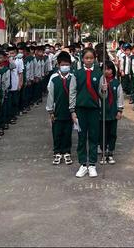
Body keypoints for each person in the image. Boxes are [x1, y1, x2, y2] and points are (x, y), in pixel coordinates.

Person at [70, 48, 103, 178]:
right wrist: (72, 110)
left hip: (94, 109)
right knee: (82, 137)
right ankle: (83, 164)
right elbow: (72, 92)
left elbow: (102, 95)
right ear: (82, 59)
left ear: (94, 59)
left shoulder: (99, 73)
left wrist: (104, 90)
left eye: (91, 58)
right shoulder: (77, 74)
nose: (89, 60)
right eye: (86, 58)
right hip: (80, 109)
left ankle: (93, 164)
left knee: (94, 137)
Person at [46, 51, 75, 165]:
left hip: (69, 111)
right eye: (62, 64)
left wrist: (74, 111)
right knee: (57, 132)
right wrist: (50, 111)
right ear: (58, 65)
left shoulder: (73, 77)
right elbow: (51, 95)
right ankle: (57, 151)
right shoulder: (54, 78)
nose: (65, 67)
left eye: (67, 64)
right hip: (57, 111)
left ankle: (67, 151)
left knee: (68, 132)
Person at [99, 60, 124, 165]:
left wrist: (119, 110)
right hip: (102, 113)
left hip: (113, 112)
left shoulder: (116, 83)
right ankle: (103, 152)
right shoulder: (101, 82)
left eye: (109, 69)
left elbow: (120, 97)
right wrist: (102, 90)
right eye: (104, 69)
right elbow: (98, 97)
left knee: (112, 133)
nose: (107, 71)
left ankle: (111, 152)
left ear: (112, 71)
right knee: (102, 133)